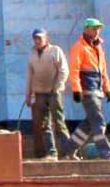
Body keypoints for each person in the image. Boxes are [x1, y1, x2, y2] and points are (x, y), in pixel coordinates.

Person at [24, 28, 72, 160]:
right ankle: (52, 153)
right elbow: (29, 75)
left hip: (53, 91)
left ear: (46, 38)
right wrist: (28, 94)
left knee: (59, 121)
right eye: (35, 38)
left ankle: (69, 151)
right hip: (39, 93)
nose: (37, 40)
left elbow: (64, 70)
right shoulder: (31, 54)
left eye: (40, 37)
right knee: (44, 124)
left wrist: (59, 86)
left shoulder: (55, 51)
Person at [68, 18, 110, 152]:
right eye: (94, 28)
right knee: (99, 122)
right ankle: (105, 152)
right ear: (86, 29)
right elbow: (74, 69)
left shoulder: (98, 48)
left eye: (98, 28)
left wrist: (107, 88)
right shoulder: (79, 47)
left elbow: (103, 70)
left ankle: (69, 150)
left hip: (97, 91)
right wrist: (76, 90)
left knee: (88, 124)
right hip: (87, 91)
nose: (97, 31)